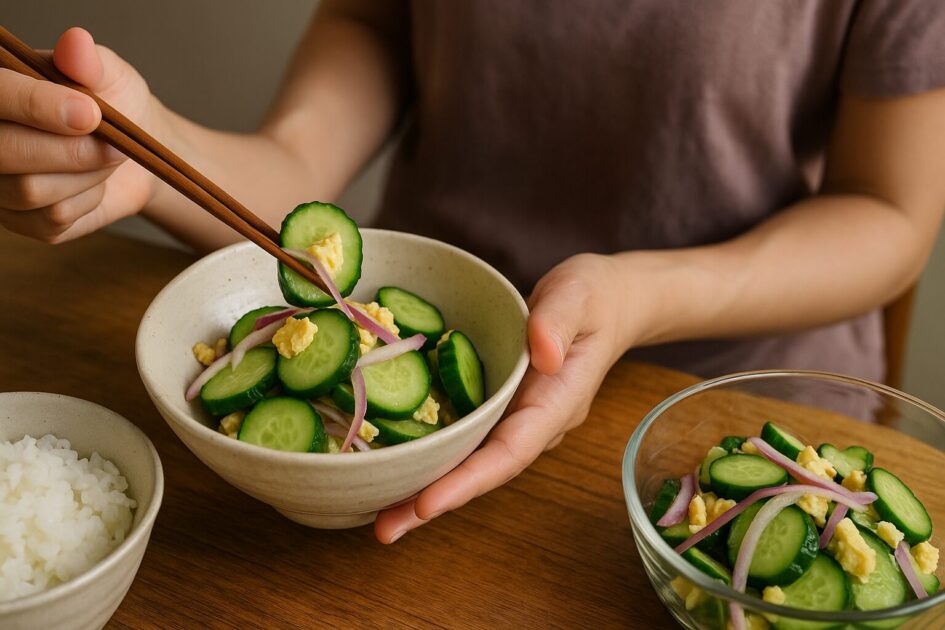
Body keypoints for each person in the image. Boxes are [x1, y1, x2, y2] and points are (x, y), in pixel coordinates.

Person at [2, 1, 945, 544]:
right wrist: (143, 150)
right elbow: (294, 176)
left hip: (730, 415)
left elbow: (889, 211)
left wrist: (640, 297)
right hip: (418, 386)